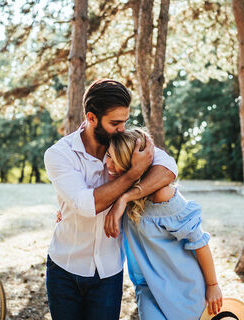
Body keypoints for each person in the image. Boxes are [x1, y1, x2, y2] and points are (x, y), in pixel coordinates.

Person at [43, 79, 178, 320]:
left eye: (124, 121)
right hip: (64, 269)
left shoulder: (125, 144)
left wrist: (124, 198)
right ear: (91, 118)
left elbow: (169, 168)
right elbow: (87, 205)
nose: (121, 129)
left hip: (109, 272)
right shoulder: (58, 154)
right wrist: (133, 174)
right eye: (115, 123)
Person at [103, 128, 223, 319]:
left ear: (128, 164)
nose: (107, 163)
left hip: (183, 287)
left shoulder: (162, 194)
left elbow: (199, 241)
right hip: (147, 289)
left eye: (113, 158)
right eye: (107, 155)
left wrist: (213, 285)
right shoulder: (117, 188)